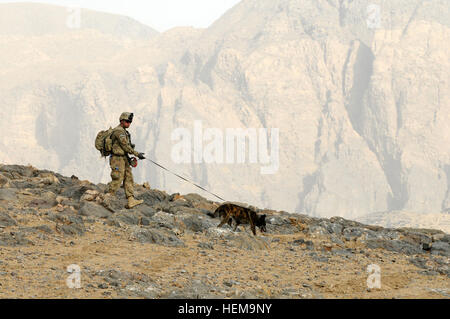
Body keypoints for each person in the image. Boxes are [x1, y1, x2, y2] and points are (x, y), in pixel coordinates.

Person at [104, 112, 146, 209]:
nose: (129, 123)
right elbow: (125, 146)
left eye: (130, 122)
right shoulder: (119, 132)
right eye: (127, 121)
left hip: (123, 158)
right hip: (117, 158)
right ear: (122, 121)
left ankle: (131, 200)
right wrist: (137, 154)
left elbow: (125, 148)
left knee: (128, 177)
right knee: (117, 177)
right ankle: (108, 198)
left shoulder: (124, 131)